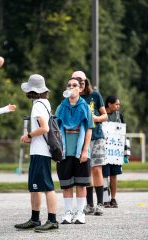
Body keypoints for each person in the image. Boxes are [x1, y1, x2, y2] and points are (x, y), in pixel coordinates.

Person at [14, 74, 58, 232]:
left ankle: (52, 220)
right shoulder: (44, 102)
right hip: (38, 151)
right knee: (35, 187)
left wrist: (29, 135)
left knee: (47, 186)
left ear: (32, 90)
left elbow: (44, 128)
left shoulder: (38, 105)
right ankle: (34, 219)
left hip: (41, 152)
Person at [55, 77, 93, 224]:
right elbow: (55, 130)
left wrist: (84, 151)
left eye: (74, 85)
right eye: (69, 85)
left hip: (81, 153)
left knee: (81, 184)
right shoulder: (60, 107)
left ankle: (79, 213)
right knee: (66, 185)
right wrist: (58, 150)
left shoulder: (85, 107)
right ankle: (68, 212)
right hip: (65, 152)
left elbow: (89, 130)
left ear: (80, 89)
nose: (71, 87)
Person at [71, 71, 107, 216]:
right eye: (76, 80)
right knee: (85, 172)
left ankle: (100, 204)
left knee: (97, 170)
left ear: (86, 81)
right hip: (80, 138)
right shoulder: (73, 98)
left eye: (82, 80)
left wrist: (94, 118)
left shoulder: (95, 96)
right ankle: (89, 204)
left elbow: (105, 116)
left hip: (96, 137)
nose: (80, 83)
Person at [102, 95, 124, 208]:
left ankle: (113, 198)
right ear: (109, 104)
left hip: (115, 151)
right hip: (103, 150)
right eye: (116, 104)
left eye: (119, 104)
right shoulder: (101, 115)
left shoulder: (119, 116)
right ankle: (105, 198)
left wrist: (125, 151)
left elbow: (123, 134)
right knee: (104, 175)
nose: (118, 106)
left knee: (114, 175)